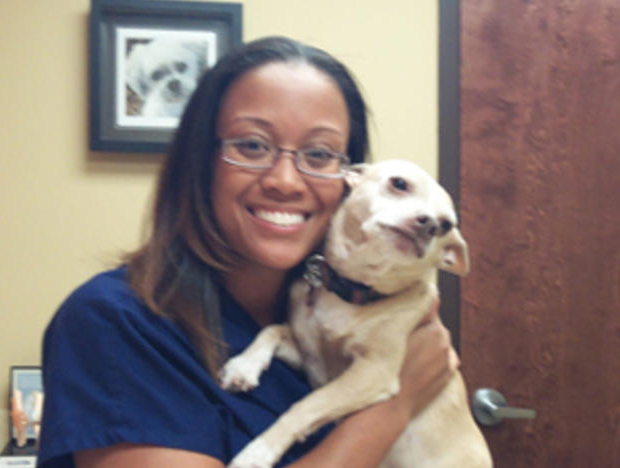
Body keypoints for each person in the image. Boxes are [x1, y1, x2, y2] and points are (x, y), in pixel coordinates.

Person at [37, 36, 458, 468]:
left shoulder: (326, 315)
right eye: (252, 145)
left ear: (349, 179)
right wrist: (393, 404)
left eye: (318, 153)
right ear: (201, 161)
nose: (286, 181)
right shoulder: (116, 322)